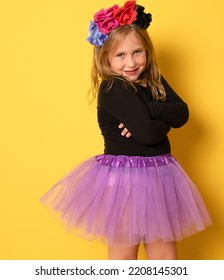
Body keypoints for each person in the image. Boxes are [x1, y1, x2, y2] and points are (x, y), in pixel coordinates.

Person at [40, 0, 212, 260]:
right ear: (105, 57)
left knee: (164, 257)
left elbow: (183, 113)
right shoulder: (113, 88)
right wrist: (156, 117)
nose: (130, 62)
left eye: (137, 52)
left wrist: (149, 110)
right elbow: (149, 135)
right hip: (124, 179)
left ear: (147, 51)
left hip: (159, 175)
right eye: (120, 55)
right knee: (123, 258)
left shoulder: (153, 80)